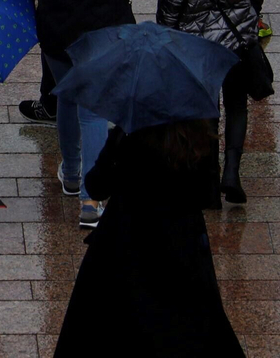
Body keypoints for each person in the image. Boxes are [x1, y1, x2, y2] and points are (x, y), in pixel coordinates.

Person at [52, 121, 245, 356]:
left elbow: (97, 186)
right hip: (180, 248)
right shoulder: (196, 135)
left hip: (126, 244)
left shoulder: (129, 134)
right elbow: (205, 195)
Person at [22, 0, 148, 227]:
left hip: (56, 33)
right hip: (101, 32)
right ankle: (90, 200)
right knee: (93, 113)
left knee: (66, 97)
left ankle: (73, 172)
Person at [156, 0, 270, 205]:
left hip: (199, 54)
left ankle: (207, 185)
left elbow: (166, 20)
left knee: (206, 114)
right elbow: (254, 2)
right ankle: (232, 173)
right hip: (238, 48)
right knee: (237, 106)